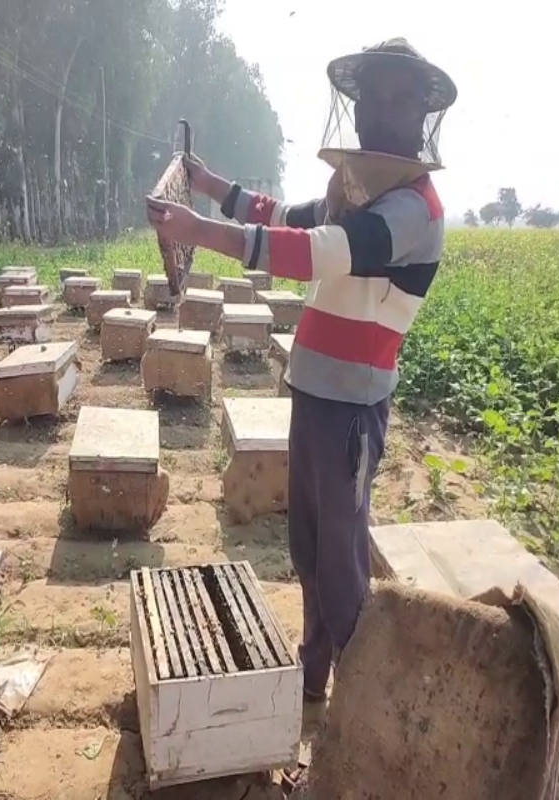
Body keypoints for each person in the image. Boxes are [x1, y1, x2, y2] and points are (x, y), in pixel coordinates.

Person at [146, 38, 457, 704]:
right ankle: (314, 677)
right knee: (311, 550)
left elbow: (316, 252)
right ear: (357, 108)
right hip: (317, 398)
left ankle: (359, 715)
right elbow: (280, 217)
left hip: (349, 413)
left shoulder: (411, 211)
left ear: (422, 117)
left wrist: (198, 231)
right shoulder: (357, 193)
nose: (382, 113)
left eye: (400, 100)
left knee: (342, 571)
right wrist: (209, 187)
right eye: (372, 98)